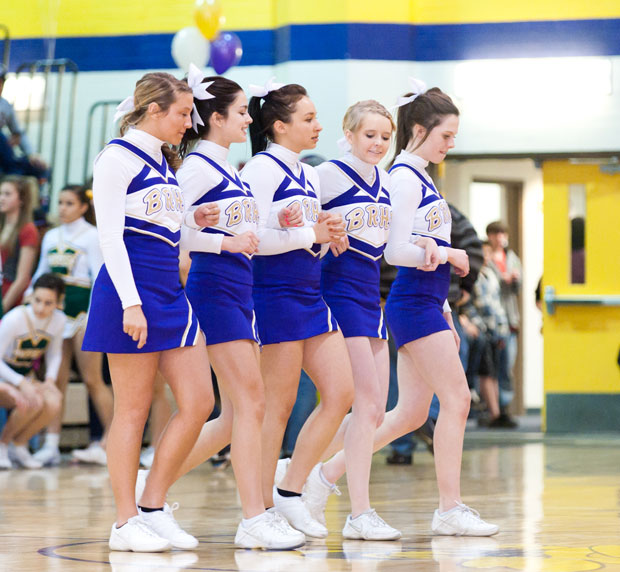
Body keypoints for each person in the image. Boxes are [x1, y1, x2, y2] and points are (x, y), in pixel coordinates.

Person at [302, 80, 498, 537]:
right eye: (446, 135)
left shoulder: (416, 176)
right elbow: (399, 249)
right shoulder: (404, 177)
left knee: (409, 414)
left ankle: (323, 474)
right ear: (420, 129)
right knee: (458, 400)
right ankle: (448, 508)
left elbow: (416, 243)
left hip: (426, 302)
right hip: (408, 301)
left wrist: (448, 308)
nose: (452, 143)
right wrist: (449, 255)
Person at [81, 72, 216, 552]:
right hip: (129, 294)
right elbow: (110, 236)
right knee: (133, 411)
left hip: (170, 295)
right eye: (182, 114)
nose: (188, 123)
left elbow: (160, 221)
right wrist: (131, 303)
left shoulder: (163, 161)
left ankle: (153, 505)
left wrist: (190, 219)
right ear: (154, 110)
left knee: (199, 401)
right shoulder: (116, 157)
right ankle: (125, 521)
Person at [170, 70, 304, 549]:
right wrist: (224, 241)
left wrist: (279, 220)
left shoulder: (228, 168)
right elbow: (174, 230)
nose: (251, 119)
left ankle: (153, 487)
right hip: (213, 289)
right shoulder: (196, 169)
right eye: (243, 111)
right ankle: (254, 517)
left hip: (240, 289)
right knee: (252, 401)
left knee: (236, 413)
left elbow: (243, 226)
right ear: (217, 118)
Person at [303, 100, 438, 540]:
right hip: (336, 295)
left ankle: (305, 471)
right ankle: (357, 511)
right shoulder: (326, 175)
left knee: (376, 409)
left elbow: (392, 241)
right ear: (350, 132)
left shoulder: (386, 179)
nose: (378, 143)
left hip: (370, 297)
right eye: (369, 135)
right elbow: (296, 227)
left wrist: (425, 242)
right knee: (363, 404)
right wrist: (318, 232)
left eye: (385, 136)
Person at [240, 80, 354, 538]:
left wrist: (327, 229)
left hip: (310, 291)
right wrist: (311, 235)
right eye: (308, 119)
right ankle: (260, 508)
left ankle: (290, 490)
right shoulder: (259, 170)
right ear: (279, 126)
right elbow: (254, 240)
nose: (318, 126)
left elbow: (301, 232)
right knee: (277, 407)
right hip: (273, 294)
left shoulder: (308, 171)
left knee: (341, 391)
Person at [23, 184, 113, 466]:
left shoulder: (92, 236)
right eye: (60, 203)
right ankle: (51, 444)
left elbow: (100, 277)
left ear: (84, 207)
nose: (62, 208)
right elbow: (41, 273)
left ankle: (112, 440)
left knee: (92, 379)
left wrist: (99, 314)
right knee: (56, 381)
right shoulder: (50, 236)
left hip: (85, 312)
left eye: (69, 203)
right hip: (57, 314)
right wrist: (29, 296)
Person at [0, 273, 65, 470]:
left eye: (48, 303)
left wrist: (50, 380)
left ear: (58, 302)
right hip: (6, 376)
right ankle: (3, 444)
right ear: (30, 296)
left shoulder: (59, 321)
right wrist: (21, 384)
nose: (41, 308)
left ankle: (19, 445)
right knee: (31, 401)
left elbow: (55, 354)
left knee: (54, 401)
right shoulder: (15, 319)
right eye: (37, 301)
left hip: (24, 377)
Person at [485, 220, 521, 426]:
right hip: (492, 320)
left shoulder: (512, 258)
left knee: (507, 365)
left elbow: (519, 284)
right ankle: (494, 410)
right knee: (491, 366)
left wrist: (514, 279)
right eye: (496, 234)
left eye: (503, 233)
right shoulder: (487, 259)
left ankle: (504, 406)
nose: (500, 238)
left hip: (510, 319)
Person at [0, 65, 49, 180]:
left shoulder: (5, 106)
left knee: (39, 168)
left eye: (1, 83)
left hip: (4, 155)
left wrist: (31, 154)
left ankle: (15, 179)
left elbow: (18, 133)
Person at [0, 176, 39, 313]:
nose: (1, 198)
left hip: (11, 297)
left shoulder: (27, 229)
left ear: (21, 199)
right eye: (0, 193)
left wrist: (3, 306)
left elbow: (22, 278)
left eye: (7, 194)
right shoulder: (2, 225)